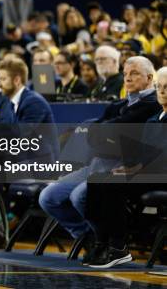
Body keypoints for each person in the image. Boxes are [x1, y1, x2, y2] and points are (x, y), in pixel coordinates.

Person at [39, 56, 161, 254]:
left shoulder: (154, 105)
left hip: (121, 166)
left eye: (134, 73)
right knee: (48, 197)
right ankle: (88, 236)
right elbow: (94, 133)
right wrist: (105, 135)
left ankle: (104, 241)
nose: (128, 78)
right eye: (125, 74)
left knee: (80, 196)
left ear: (149, 77)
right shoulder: (117, 105)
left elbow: (117, 132)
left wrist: (105, 134)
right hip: (97, 162)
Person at [84, 67, 167, 268]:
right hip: (149, 173)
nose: (162, 92)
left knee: (114, 185)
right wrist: (130, 166)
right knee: (96, 179)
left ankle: (119, 247)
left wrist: (138, 168)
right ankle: (102, 242)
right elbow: (144, 153)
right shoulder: (153, 119)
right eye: (159, 87)